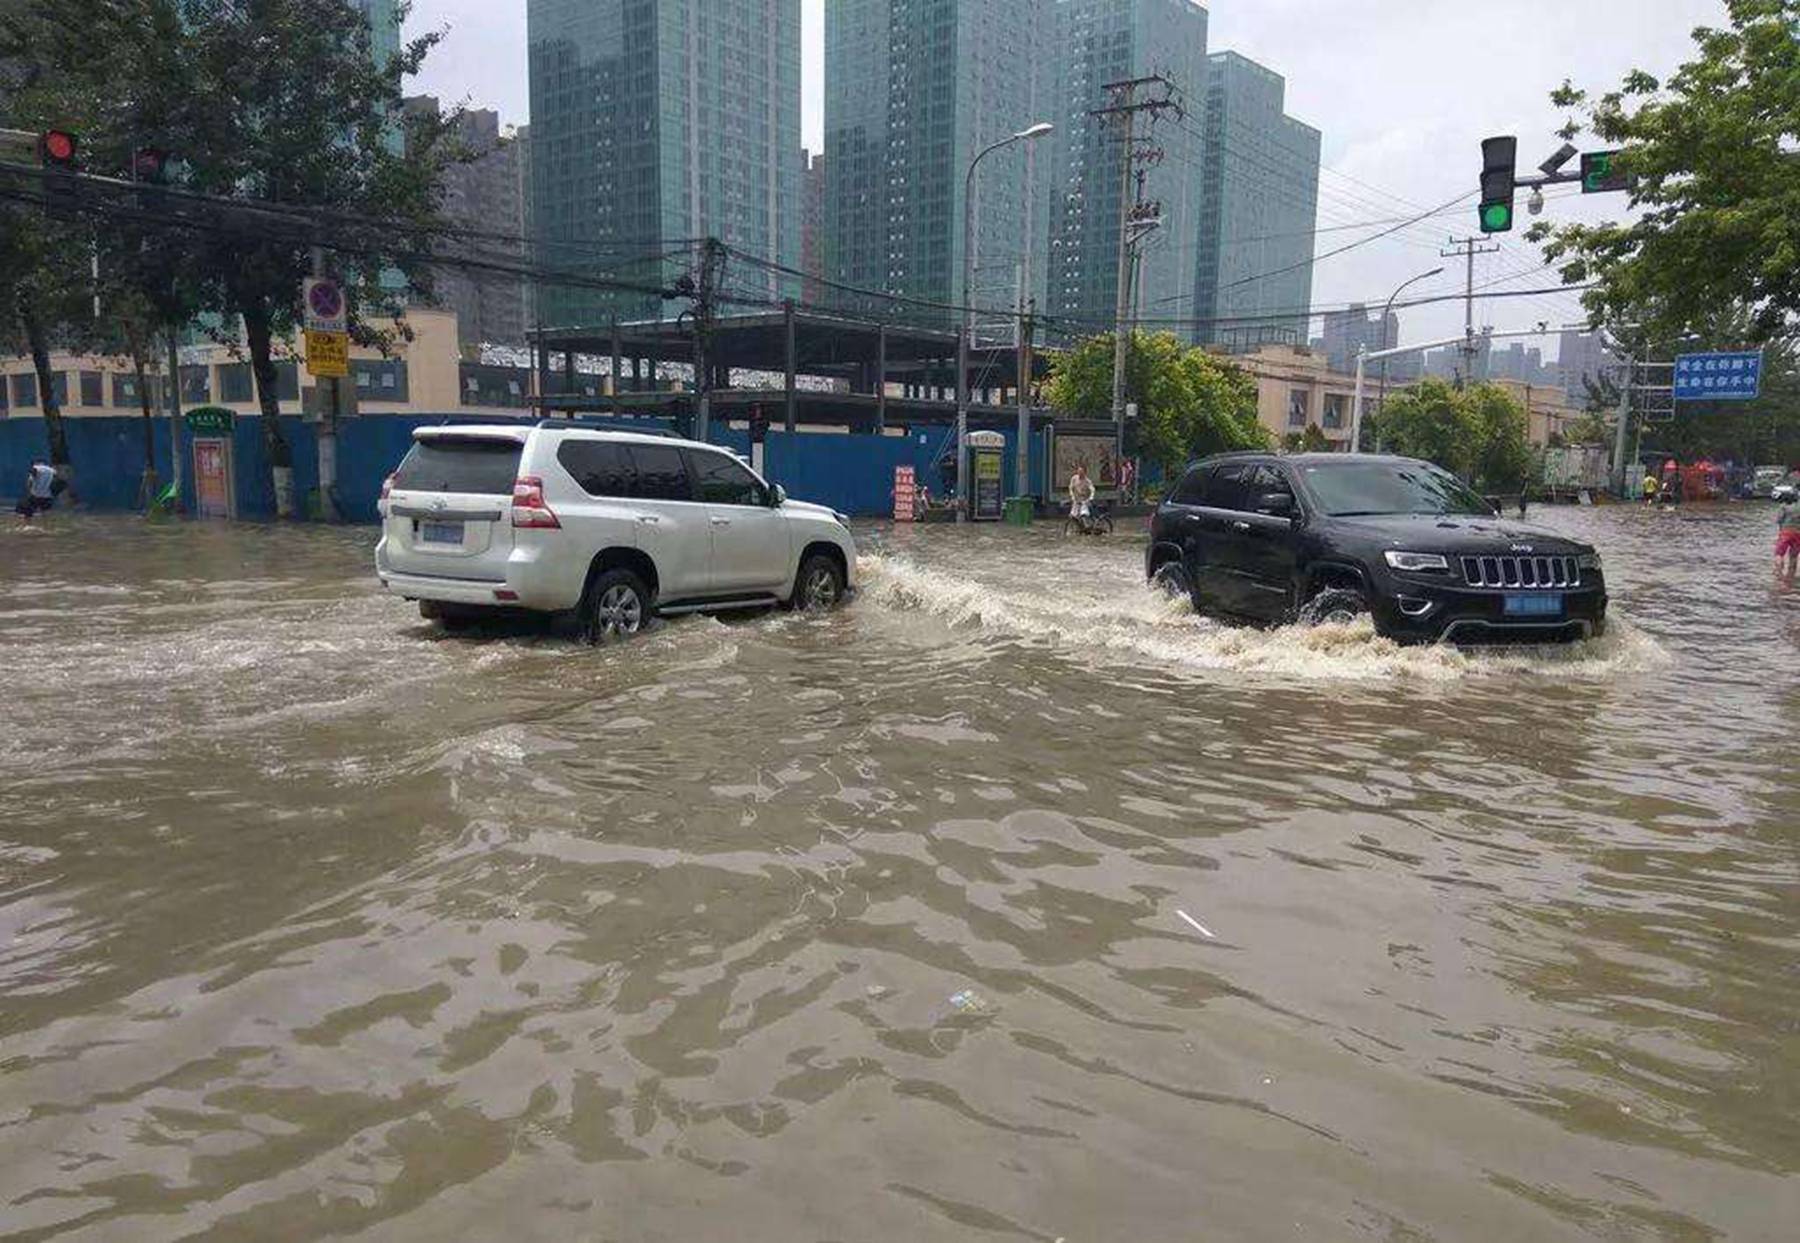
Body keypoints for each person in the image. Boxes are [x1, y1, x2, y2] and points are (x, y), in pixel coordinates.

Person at [1777, 496, 1800, 581]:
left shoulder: (1784, 507)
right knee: (1794, 556)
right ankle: (1791, 576)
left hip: (1786, 532)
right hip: (1798, 533)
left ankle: (1779, 576)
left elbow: (1779, 520)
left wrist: (1780, 529)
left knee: (1779, 554)